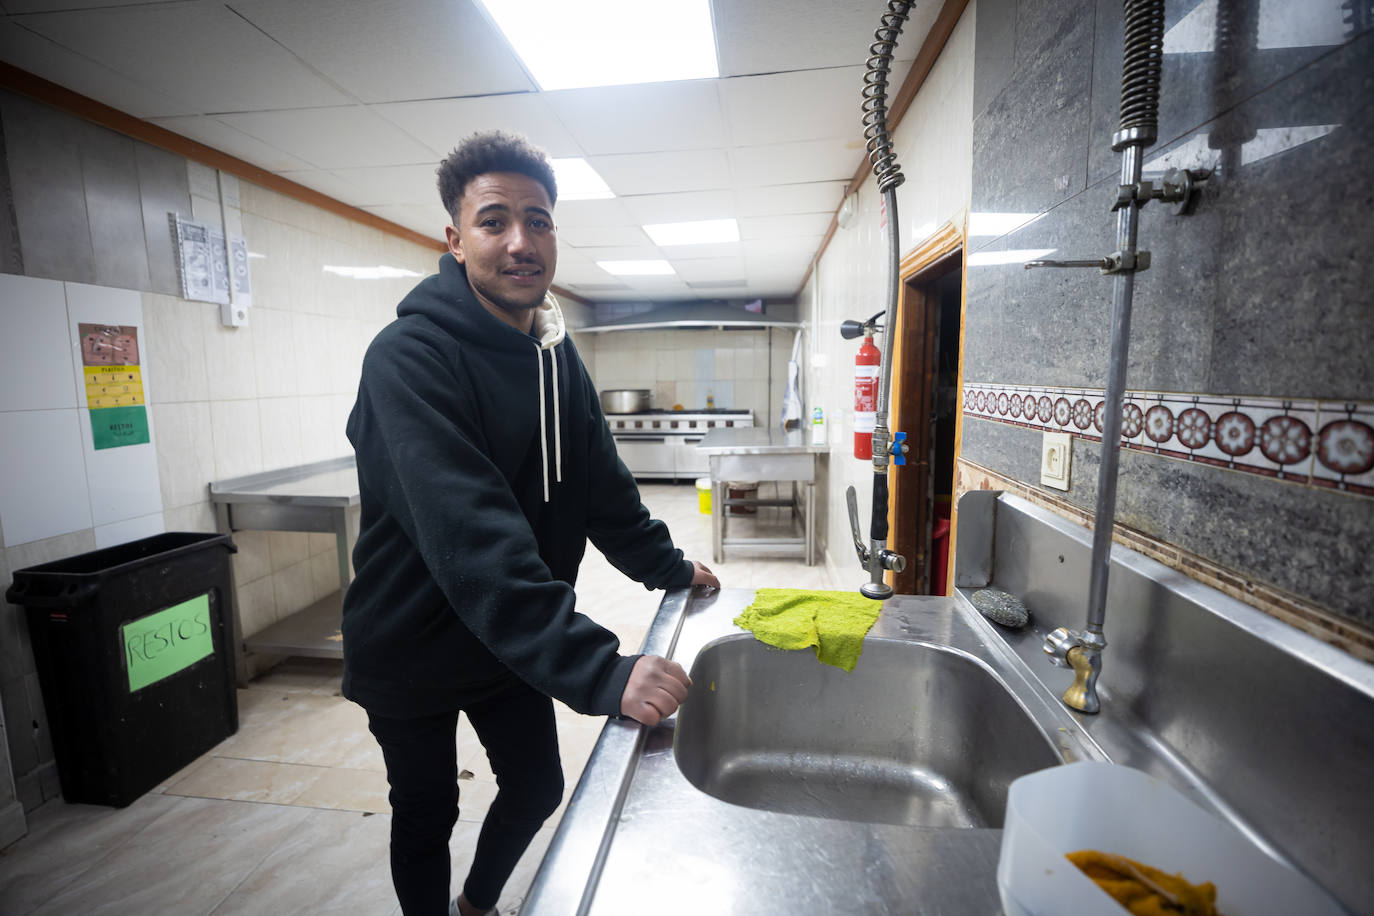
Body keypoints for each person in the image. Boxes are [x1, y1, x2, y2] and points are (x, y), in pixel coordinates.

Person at [341, 130, 719, 916]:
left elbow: (601, 487)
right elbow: (472, 532)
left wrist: (666, 565)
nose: (521, 241)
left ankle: (478, 906)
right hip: (409, 643)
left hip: (504, 637)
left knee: (539, 787)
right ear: (455, 239)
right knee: (427, 810)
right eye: (495, 220)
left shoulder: (554, 355)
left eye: (539, 220)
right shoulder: (409, 359)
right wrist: (602, 670)